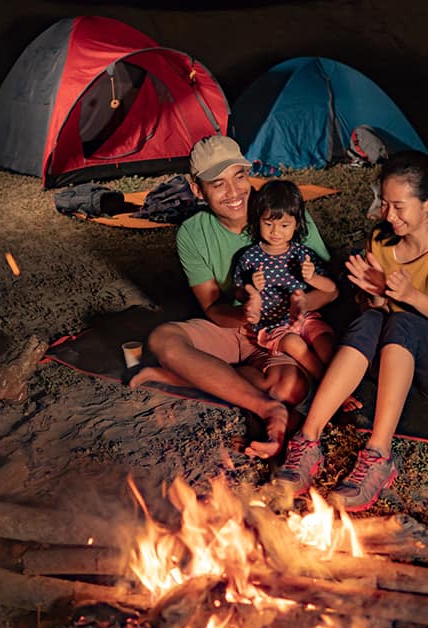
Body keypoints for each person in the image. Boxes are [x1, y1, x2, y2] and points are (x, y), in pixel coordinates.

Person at [274, 150, 428, 512]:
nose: (389, 215)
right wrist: (374, 296)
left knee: (404, 320)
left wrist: (408, 295)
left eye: (399, 206)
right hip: (395, 356)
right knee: (373, 319)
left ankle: (378, 454)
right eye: (385, 204)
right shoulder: (381, 239)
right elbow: (376, 312)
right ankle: (308, 441)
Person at [130, 136, 337, 456]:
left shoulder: (282, 211)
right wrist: (244, 316)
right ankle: (269, 410)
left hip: (281, 329)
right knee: (163, 339)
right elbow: (212, 306)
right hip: (234, 325)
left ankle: (187, 377)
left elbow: (327, 286)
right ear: (197, 189)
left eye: (239, 177)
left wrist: (299, 307)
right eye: (218, 184)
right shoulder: (192, 232)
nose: (234, 192)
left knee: (288, 387)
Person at [234, 180, 338, 381]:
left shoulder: (302, 254)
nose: (275, 232)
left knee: (324, 341)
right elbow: (238, 291)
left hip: (305, 318)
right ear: (258, 221)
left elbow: (331, 288)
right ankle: (324, 381)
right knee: (294, 344)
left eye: (284, 225)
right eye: (268, 223)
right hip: (273, 325)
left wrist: (312, 277)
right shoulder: (250, 257)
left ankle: (339, 382)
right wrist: (251, 288)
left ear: (296, 224)